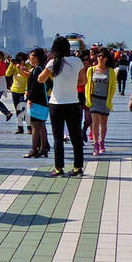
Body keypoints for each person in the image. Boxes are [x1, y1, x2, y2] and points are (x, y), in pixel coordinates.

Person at [40, 36, 85, 176]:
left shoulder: (53, 63)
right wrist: (70, 83)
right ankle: (78, 168)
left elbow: (40, 79)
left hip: (56, 104)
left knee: (58, 138)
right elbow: (84, 80)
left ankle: (59, 168)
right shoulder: (77, 61)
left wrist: (55, 78)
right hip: (73, 103)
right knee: (76, 137)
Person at [85, 46, 117, 155]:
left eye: (103, 57)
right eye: (99, 56)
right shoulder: (91, 70)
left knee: (103, 124)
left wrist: (110, 100)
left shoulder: (111, 71)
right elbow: (88, 85)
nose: (100, 58)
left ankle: (102, 141)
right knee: (95, 123)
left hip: (105, 100)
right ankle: (95, 144)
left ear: (107, 58)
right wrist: (88, 99)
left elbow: (112, 87)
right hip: (94, 99)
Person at [24, 47, 50, 159]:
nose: (30, 59)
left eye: (33, 57)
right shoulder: (38, 69)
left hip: (37, 101)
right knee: (41, 126)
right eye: (30, 57)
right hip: (42, 100)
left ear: (38, 58)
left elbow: (35, 86)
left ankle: (34, 149)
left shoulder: (38, 70)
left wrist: (30, 98)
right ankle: (43, 148)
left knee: (35, 126)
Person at [8, 52, 29, 135]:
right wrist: (11, 65)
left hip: (24, 91)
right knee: (18, 110)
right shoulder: (14, 66)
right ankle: (20, 128)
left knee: (24, 110)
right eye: (18, 60)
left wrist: (21, 68)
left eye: (21, 60)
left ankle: (29, 127)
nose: (20, 62)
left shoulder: (28, 67)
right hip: (15, 90)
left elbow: (27, 77)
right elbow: (7, 74)